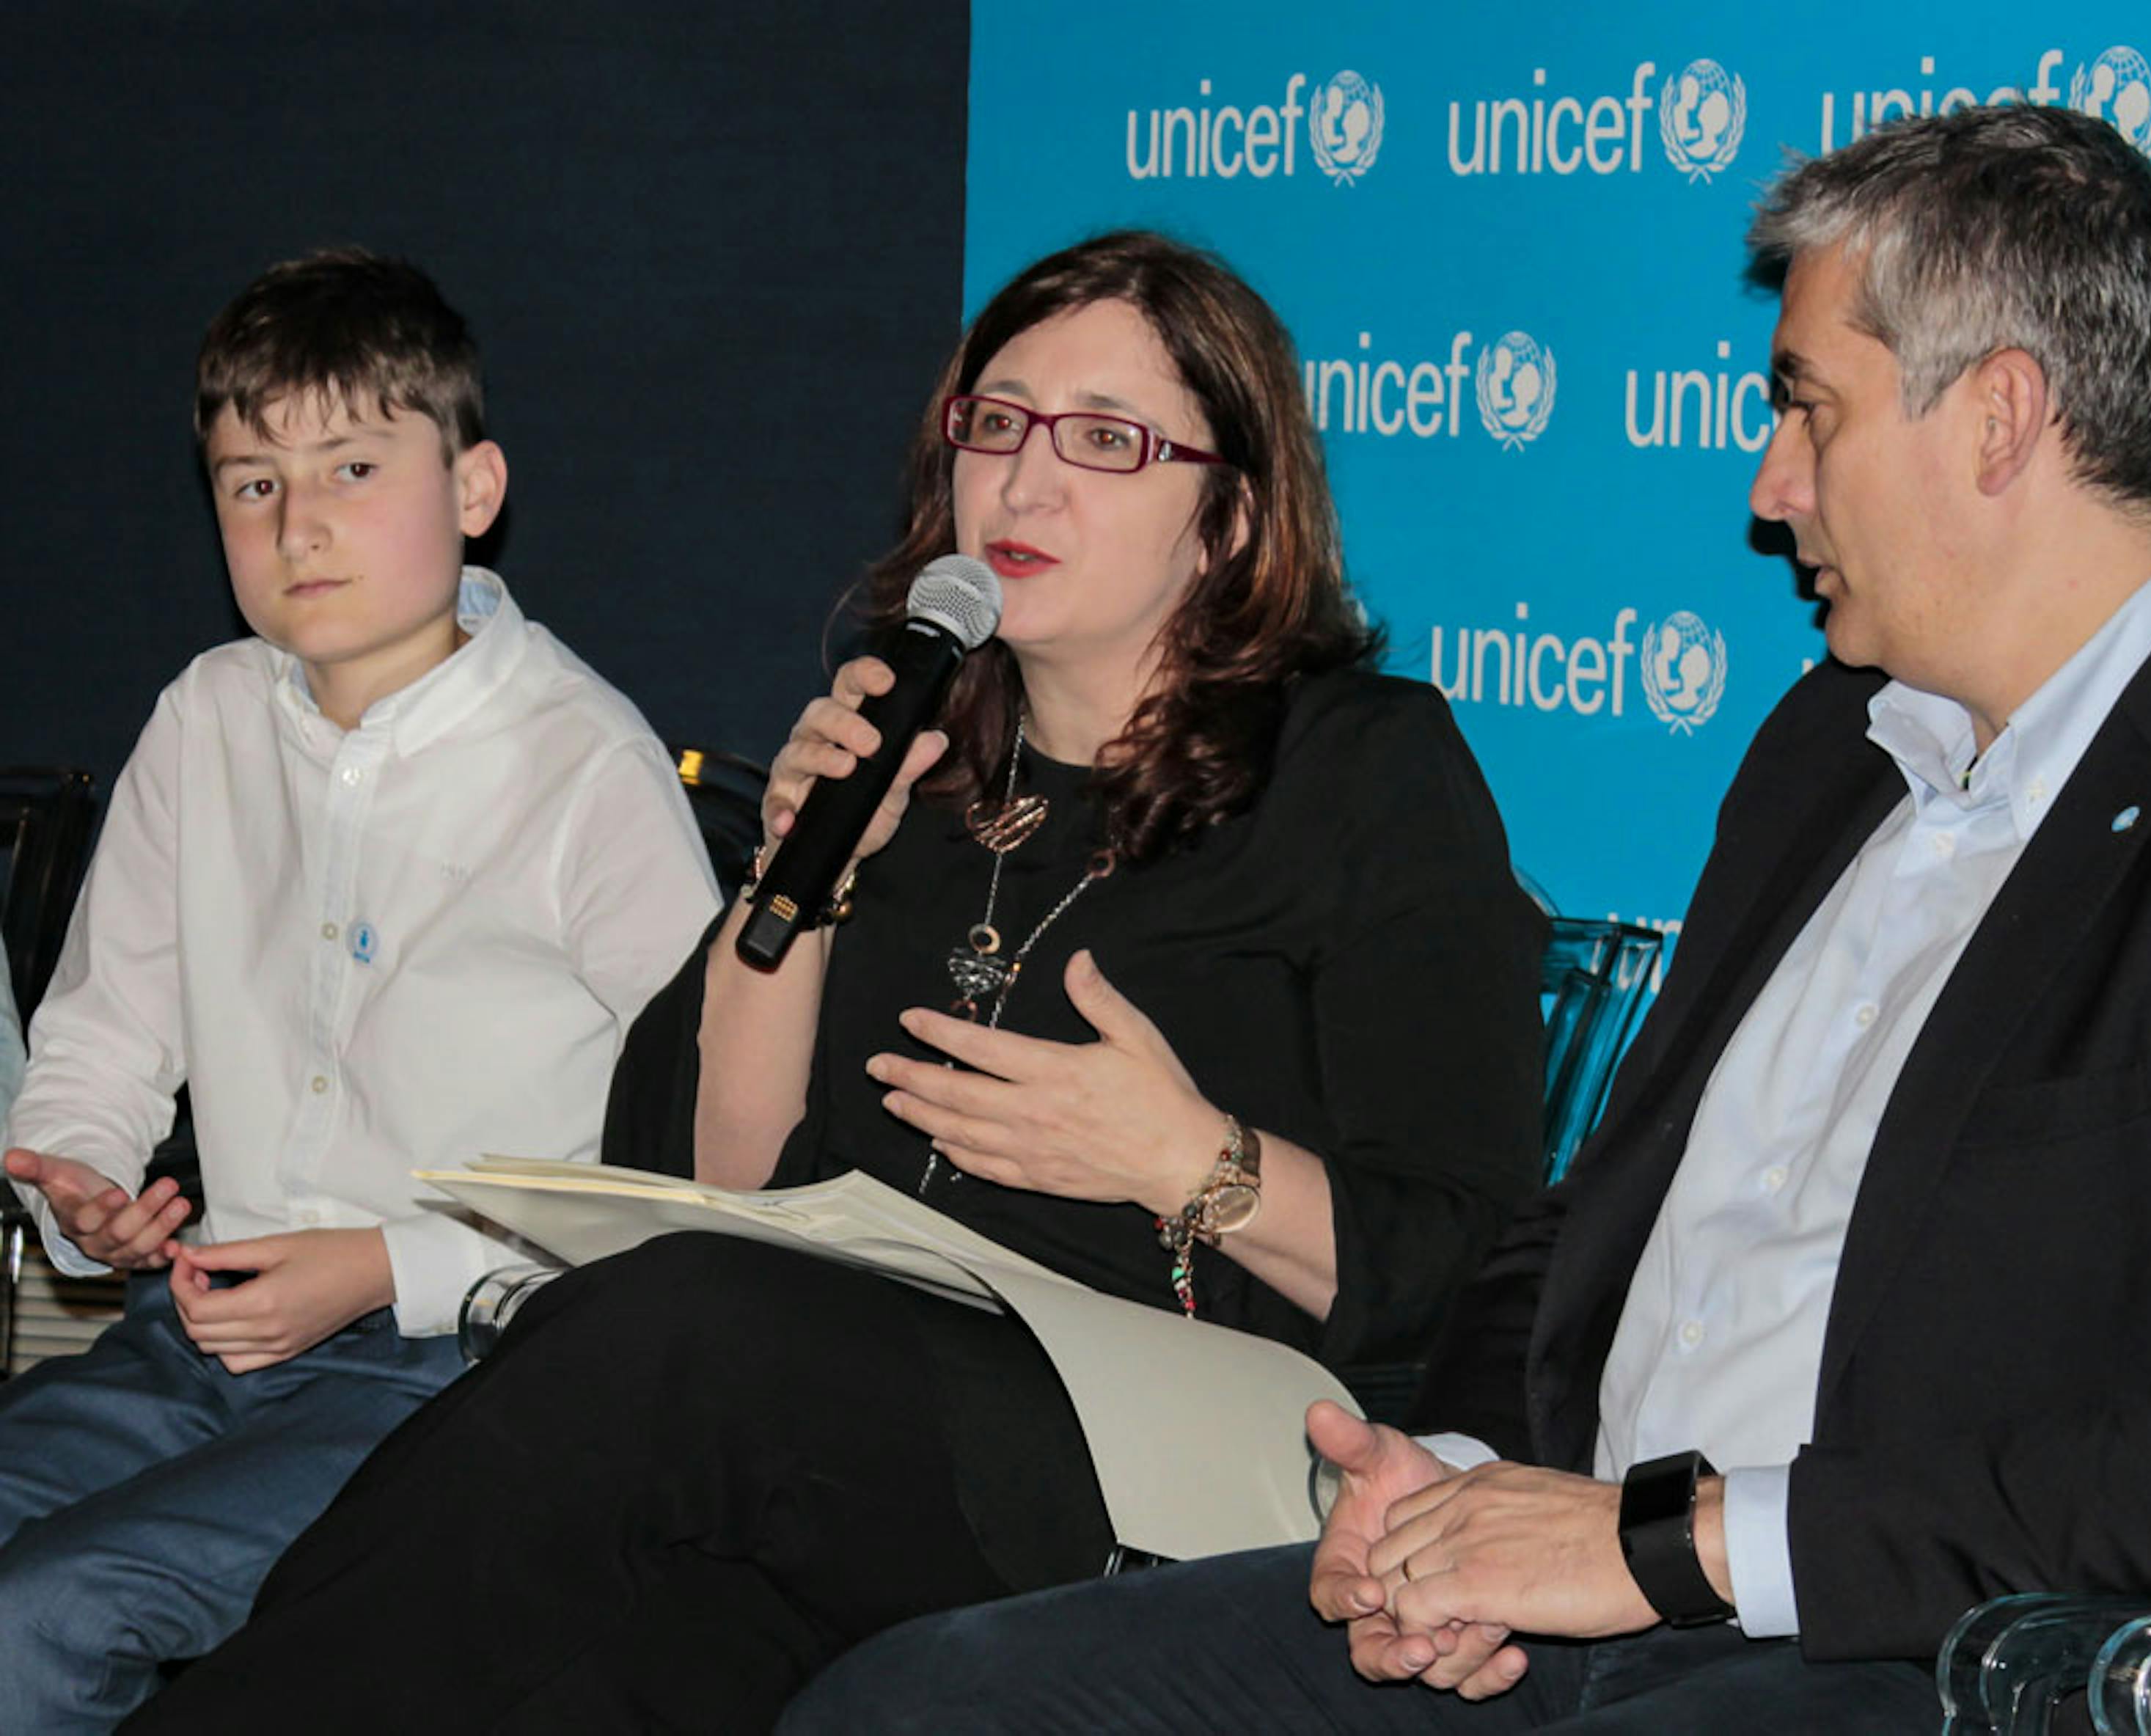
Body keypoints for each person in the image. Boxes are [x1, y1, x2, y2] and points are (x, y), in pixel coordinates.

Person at [775, 106, 2151, 1735]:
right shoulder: (1829, 748)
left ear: (2003, 418)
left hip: (1953, 1659)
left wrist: (1680, 1542)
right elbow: (1590, 1228)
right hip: (1580, 1599)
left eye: (1808, 405)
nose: (1767, 487)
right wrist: (1455, 1482)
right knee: (917, 1702)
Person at [133, 229, 1544, 1732]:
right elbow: (718, 1175)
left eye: (1109, 440)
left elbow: (1464, 1251)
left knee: (686, 1335)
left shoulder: (1363, 767)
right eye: (995, 424)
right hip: (836, 1439)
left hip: (1170, 1458)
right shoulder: (919, 770)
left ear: (1231, 512)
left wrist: (1186, 1161)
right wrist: (803, 888)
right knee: (598, 1662)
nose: (1027, 479)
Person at [0, 249, 719, 1729]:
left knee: (48, 1611)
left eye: (349, 466)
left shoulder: (584, 765)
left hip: (466, 1367)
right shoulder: (204, 718)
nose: (297, 521)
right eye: (251, 481)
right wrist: (77, 1175)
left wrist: (393, 1262)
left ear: (475, 488)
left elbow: (699, 1171)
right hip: (201, 1328)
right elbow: (108, 1024)